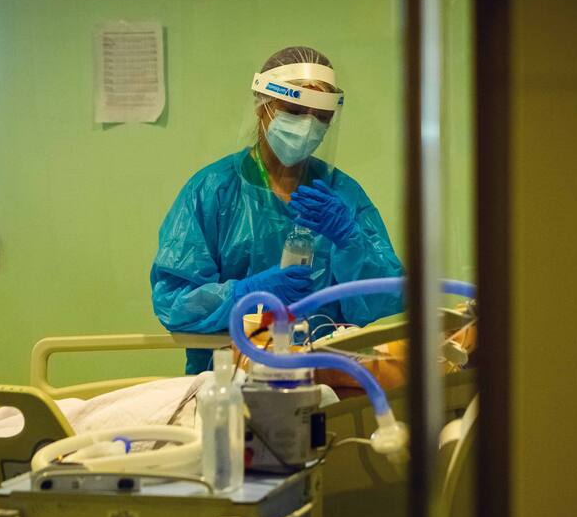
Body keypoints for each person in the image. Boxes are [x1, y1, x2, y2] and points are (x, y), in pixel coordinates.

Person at [151, 46, 403, 374]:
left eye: (321, 118)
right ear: (263, 107)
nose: (308, 127)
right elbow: (174, 302)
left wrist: (351, 241)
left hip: (325, 377)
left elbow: (388, 295)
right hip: (229, 381)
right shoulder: (214, 191)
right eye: (295, 111)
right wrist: (246, 293)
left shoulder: (341, 196)